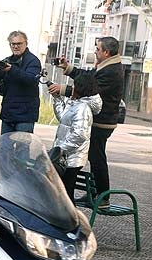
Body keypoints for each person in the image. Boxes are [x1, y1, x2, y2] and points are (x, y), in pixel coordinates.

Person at [50, 36, 125, 206]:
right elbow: (88, 77)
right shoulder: (107, 66)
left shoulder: (111, 71)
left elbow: (90, 88)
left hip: (102, 122)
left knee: (97, 157)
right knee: (94, 157)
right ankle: (96, 193)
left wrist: (63, 89)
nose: (95, 51)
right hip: (100, 120)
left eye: (98, 49)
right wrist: (68, 68)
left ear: (106, 52)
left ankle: (103, 197)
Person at [49, 74, 102, 200]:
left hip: (73, 158)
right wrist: (57, 98)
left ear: (81, 88)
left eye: (74, 85)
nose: (71, 87)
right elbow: (63, 117)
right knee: (62, 192)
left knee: (66, 193)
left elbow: (80, 134)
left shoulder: (82, 108)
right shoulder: (76, 103)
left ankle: (70, 218)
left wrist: (61, 148)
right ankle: (65, 217)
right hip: (66, 156)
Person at [0, 31, 43, 133]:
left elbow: (31, 80)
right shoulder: (8, 60)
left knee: (22, 147)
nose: (16, 46)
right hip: (8, 114)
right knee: (5, 147)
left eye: (19, 44)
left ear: (26, 44)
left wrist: (11, 69)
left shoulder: (33, 61)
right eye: (13, 44)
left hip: (25, 116)